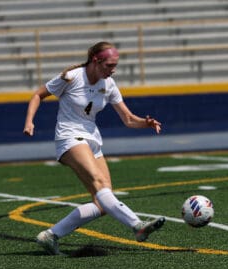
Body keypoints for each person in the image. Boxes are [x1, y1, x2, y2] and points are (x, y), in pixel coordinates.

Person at [23, 41, 165, 255]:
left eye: (115, 65)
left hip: (92, 139)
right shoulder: (72, 77)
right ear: (96, 61)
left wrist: (145, 123)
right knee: (100, 185)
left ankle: (50, 235)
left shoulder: (108, 84)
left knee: (102, 202)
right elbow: (38, 95)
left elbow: (127, 118)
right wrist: (29, 122)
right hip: (69, 137)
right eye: (109, 65)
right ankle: (137, 225)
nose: (113, 70)